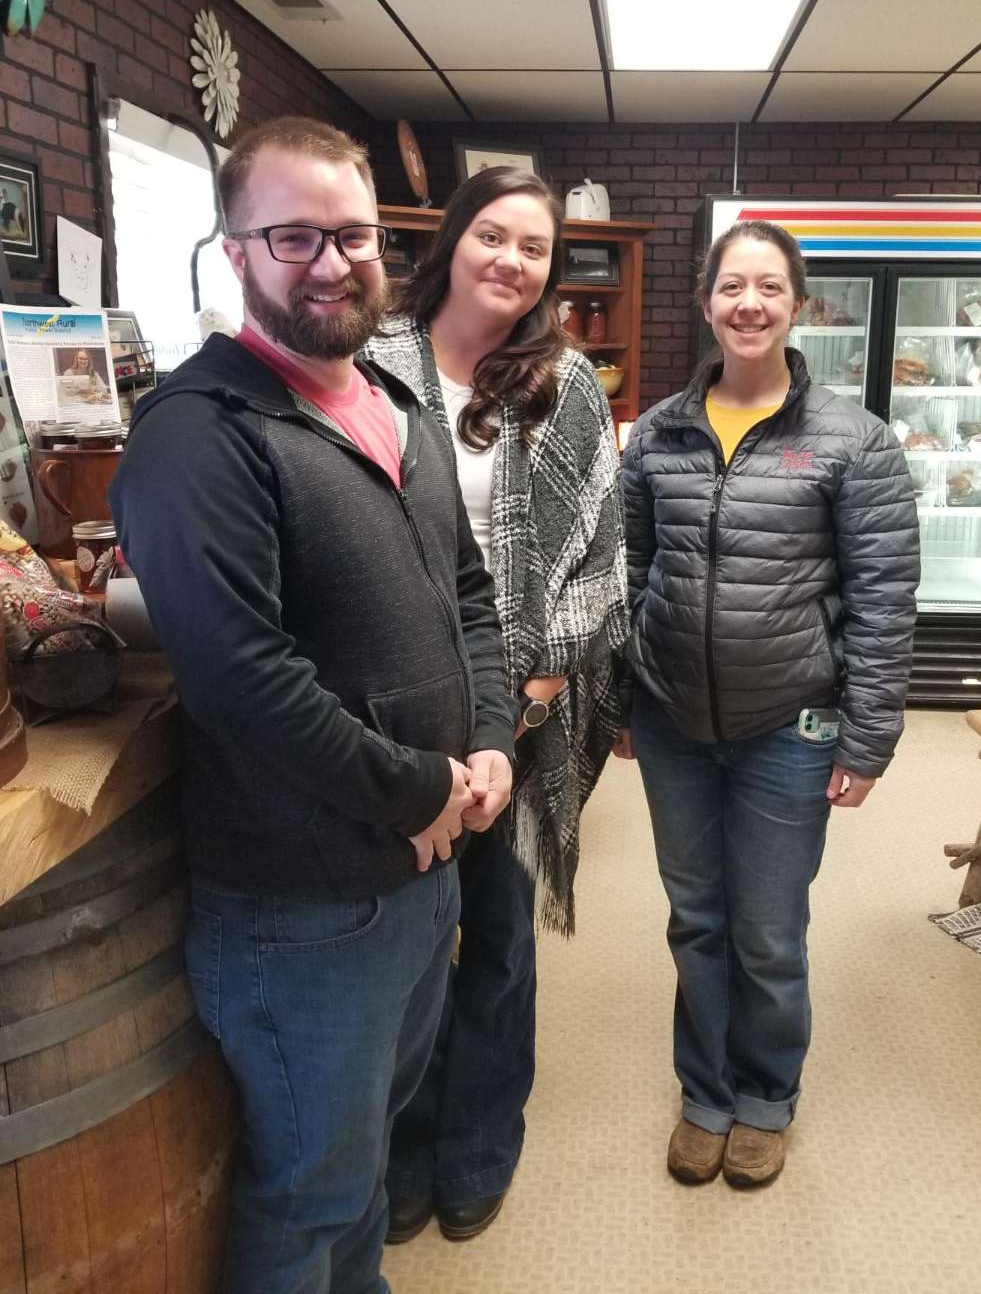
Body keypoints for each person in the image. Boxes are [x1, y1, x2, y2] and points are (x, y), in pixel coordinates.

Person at [110, 116, 516, 1294]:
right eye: (294, 237)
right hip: (299, 905)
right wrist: (423, 787)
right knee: (309, 1196)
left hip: (414, 871)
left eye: (353, 234)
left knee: (364, 1171)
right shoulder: (196, 435)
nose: (332, 263)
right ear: (234, 251)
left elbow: (472, 598)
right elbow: (246, 683)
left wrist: (488, 741)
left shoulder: (398, 403)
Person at [616, 218, 918, 1191]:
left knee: (768, 931)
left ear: (796, 304)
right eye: (730, 287)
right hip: (669, 720)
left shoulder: (852, 441)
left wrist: (868, 737)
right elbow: (628, 570)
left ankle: (766, 1099)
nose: (748, 303)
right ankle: (704, 1095)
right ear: (706, 303)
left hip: (790, 725)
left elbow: (882, 597)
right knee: (696, 919)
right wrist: (619, 693)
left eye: (769, 288)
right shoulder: (658, 432)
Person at [368, 166, 627, 1242]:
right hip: (391, 704)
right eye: (494, 235)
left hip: (525, 707)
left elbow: (603, 559)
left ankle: (478, 1145)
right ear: (452, 239)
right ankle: (409, 1146)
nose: (511, 261)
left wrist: (524, 700)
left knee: (501, 933)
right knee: (407, 947)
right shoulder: (370, 360)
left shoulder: (560, 384)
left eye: (534, 248)